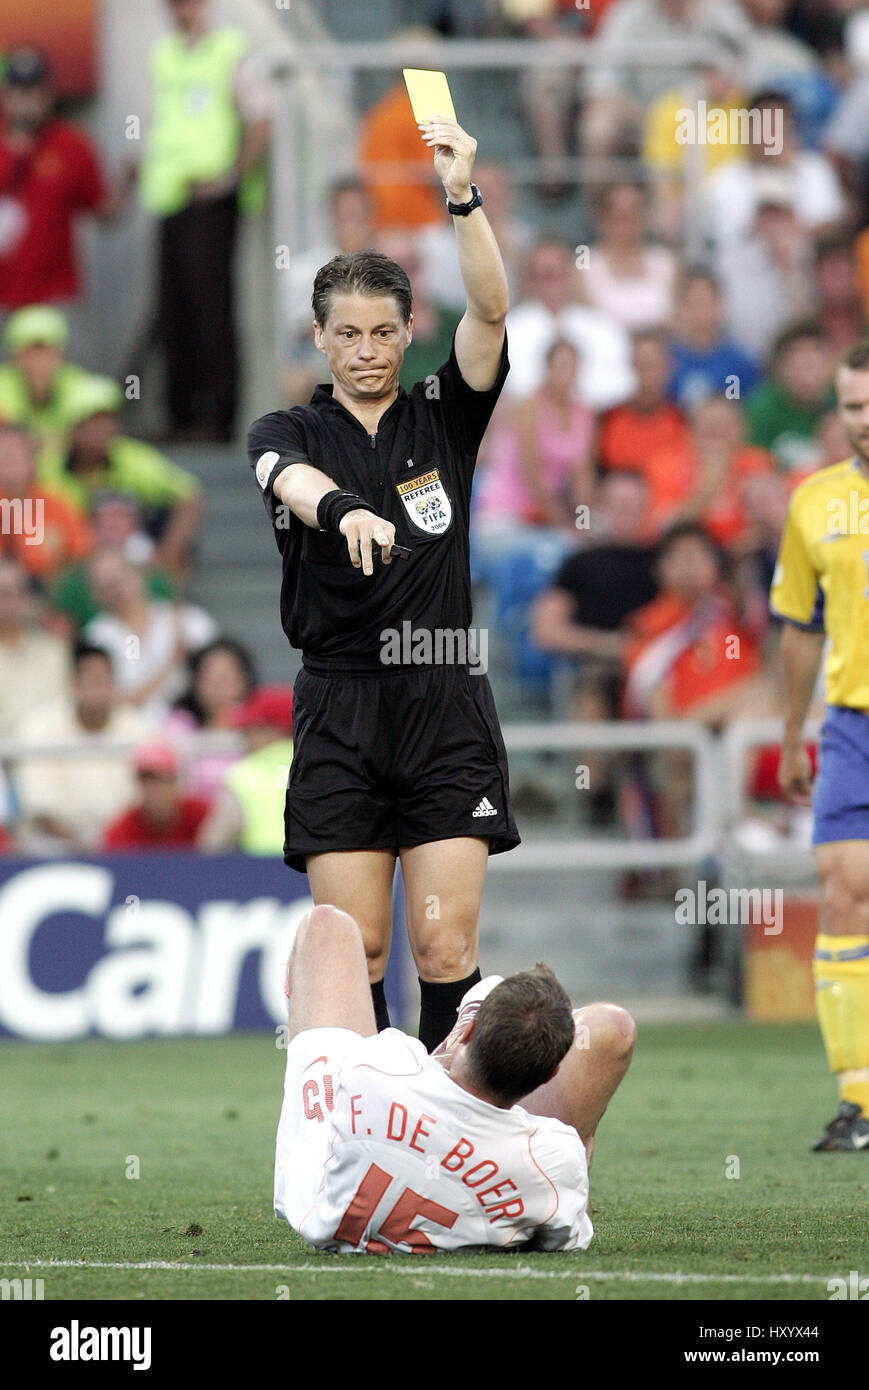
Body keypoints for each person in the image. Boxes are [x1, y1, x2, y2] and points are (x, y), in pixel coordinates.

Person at [247, 116, 520, 1051]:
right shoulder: (286, 434)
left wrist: (460, 192)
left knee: (444, 945)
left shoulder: (444, 419)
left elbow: (489, 311)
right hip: (341, 707)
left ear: (409, 331)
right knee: (358, 948)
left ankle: (450, 1149)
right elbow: (292, 484)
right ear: (318, 339)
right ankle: (367, 1152)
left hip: (443, 700)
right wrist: (343, 513)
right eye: (346, 333)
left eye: (382, 330)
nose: (366, 349)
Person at [274, 903, 636, 1252]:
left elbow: (422, 1068)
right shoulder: (558, 1154)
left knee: (325, 927)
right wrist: (575, 1169)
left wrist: (449, 1050)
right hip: (500, 1172)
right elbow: (564, 1239)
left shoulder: (376, 1070)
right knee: (614, 1026)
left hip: (323, 1198)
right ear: (550, 1074)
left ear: (467, 1030)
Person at [771, 338, 869, 1151]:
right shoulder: (813, 503)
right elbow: (798, 632)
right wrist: (788, 734)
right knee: (841, 893)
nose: (863, 421)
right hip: (848, 727)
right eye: (851, 407)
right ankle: (859, 1099)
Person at [139, 0, 273, 442]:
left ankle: (217, 421)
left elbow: (259, 119)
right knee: (173, 310)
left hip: (212, 203)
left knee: (211, 310)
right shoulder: (165, 54)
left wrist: (230, 177)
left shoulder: (231, 50)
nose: (180, 10)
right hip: (170, 197)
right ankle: (180, 418)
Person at [37, 375, 203, 583]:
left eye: (107, 422)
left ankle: (168, 602)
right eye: (90, 424)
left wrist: (166, 553)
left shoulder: (134, 457)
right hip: (74, 553)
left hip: (133, 552)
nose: (100, 431)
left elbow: (189, 496)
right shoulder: (47, 468)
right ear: (72, 428)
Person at [0, 47, 123, 312]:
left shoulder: (71, 146)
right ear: (5, 94)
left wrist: (129, 181)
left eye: (35, 91)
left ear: (49, 94)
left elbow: (105, 211)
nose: (27, 100)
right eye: (20, 91)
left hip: (54, 298)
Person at [14, 641, 149, 853]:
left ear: (114, 684)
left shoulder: (142, 731)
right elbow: (39, 809)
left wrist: (111, 842)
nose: (96, 688)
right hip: (56, 845)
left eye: (102, 680)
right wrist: (84, 848)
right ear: (73, 684)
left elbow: (148, 802)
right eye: (89, 680)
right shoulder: (38, 731)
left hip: (125, 844)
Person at [197, 685, 294, 854]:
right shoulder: (323, 769)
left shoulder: (243, 774)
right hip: (317, 874)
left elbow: (212, 846)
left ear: (274, 730)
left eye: (251, 729)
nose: (245, 738)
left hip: (260, 875)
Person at [0, 422, 93, 583]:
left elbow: (82, 555)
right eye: (3, 455)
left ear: (32, 459)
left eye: (15, 454)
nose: (8, 462)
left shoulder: (57, 505)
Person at [0, 306, 99, 450]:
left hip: (65, 469)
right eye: (30, 352)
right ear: (15, 354)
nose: (39, 361)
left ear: (61, 352)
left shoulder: (80, 385)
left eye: (47, 352)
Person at [102, 740, 210, 850]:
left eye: (160, 781)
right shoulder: (121, 831)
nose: (153, 789)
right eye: (145, 781)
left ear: (175, 782)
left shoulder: (203, 818)